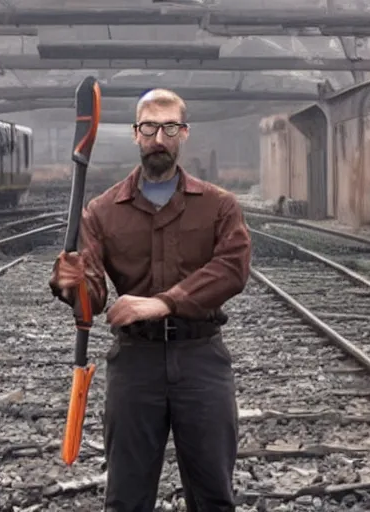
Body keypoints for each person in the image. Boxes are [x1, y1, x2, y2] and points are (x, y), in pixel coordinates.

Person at [49, 88, 252, 512]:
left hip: (202, 361)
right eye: (150, 128)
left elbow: (232, 269)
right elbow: (95, 297)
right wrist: (72, 284)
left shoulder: (219, 206)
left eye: (170, 127)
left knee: (214, 496)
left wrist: (165, 302)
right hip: (135, 365)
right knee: (126, 498)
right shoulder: (102, 211)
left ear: (184, 133)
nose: (159, 138)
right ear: (135, 134)